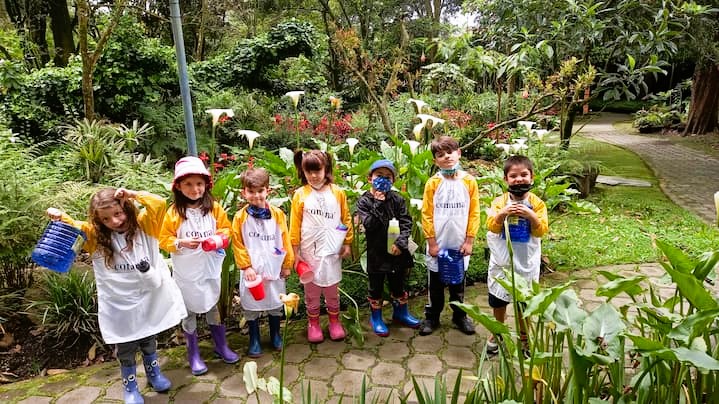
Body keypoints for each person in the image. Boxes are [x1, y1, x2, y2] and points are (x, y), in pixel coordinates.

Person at [47, 188, 187, 404]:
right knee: (126, 345)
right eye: (105, 218)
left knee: (148, 337)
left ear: (127, 208)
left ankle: (154, 374)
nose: (113, 221)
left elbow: (158, 202)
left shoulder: (145, 225)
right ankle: (130, 386)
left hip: (147, 296)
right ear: (97, 219)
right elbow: (73, 226)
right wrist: (59, 217)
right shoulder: (94, 236)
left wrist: (132, 194)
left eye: (118, 213)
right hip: (119, 302)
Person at [159, 156, 239, 376]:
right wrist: (180, 242)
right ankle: (193, 353)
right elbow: (163, 239)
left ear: (206, 185)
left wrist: (218, 239)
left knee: (212, 305)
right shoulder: (174, 213)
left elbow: (226, 230)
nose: (195, 189)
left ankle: (220, 345)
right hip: (186, 272)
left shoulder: (214, 208)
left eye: (199, 184)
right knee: (189, 311)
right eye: (188, 184)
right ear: (178, 187)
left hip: (209, 270)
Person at [485, 155, 548, 355]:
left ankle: (524, 337)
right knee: (498, 299)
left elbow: (541, 231)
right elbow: (491, 227)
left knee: (524, 301)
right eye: (513, 176)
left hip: (525, 260)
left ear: (532, 177)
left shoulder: (537, 203)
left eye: (524, 175)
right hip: (503, 261)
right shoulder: (499, 202)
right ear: (506, 179)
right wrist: (502, 213)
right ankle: (497, 332)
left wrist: (531, 216)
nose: (519, 179)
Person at [419, 136, 481, 336]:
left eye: (450, 152)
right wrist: (431, 242)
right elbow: (427, 214)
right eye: (440, 155)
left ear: (459, 153)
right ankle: (432, 316)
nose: (446, 157)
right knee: (435, 284)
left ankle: (460, 315)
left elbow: (474, 212)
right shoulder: (433, 183)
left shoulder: (470, 182)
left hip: (460, 242)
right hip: (438, 242)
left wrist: (470, 239)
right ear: (435, 160)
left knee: (458, 283)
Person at [290, 150, 353, 343]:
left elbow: (346, 218)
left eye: (317, 170)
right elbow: (294, 225)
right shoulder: (300, 195)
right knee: (312, 290)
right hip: (309, 251)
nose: (314, 176)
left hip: (333, 249)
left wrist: (348, 243)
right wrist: (295, 252)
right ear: (303, 172)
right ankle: (314, 323)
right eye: (309, 171)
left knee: (332, 288)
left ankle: (334, 321)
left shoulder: (338, 192)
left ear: (327, 169)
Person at [231, 167, 294, 357]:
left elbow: (285, 240)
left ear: (268, 191)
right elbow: (238, 243)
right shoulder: (240, 217)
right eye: (251, 191)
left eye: (260, 191)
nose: (256, 196)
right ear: (244, 193)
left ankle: (275, 334)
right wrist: (246, 266)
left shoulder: (277, 215)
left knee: (275, 301)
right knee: (251, 305)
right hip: (252, 272)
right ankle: (254, 338)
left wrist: (286, 264)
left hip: (274, 267)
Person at [355, 159, 420, 336]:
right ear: (370, 178)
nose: (383, 179)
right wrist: (378, 203)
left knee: (398, 283)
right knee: (375, 286)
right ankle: (376, 318)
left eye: (387, 177)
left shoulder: (398, 199)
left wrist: (401, 243)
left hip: (397, 252)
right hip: (376, 253)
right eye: (379, 176)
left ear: (393, 180)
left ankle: (401, 313)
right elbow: (369, 224)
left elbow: (406, 222)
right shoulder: (364, 202)